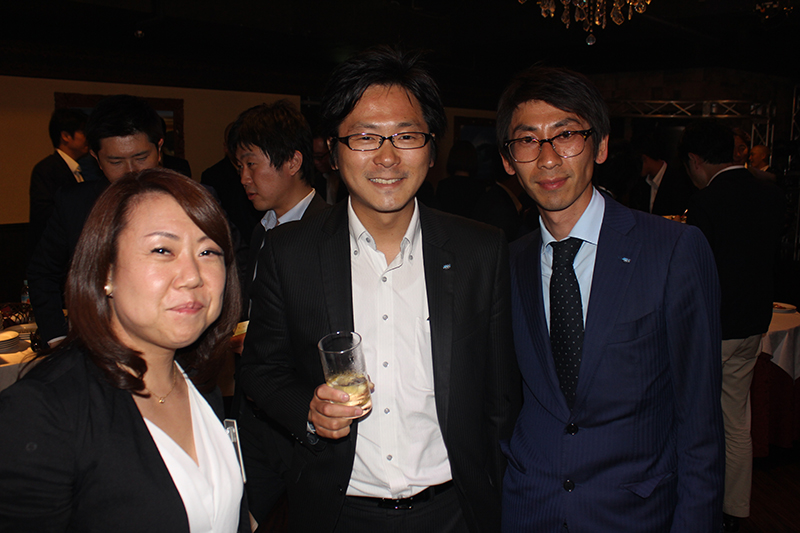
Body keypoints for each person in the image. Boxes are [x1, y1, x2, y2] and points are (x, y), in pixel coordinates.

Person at [238, 46, 521, 533]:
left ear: (431, 149)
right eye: (365, 137)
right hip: (337, 512)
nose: (387, 157)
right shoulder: (290, 252)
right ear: (333, 150)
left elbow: (501, 399)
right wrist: (309, 411)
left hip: (455, 511)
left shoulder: (480, 250)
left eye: (406, 136)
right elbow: (260, 371)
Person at [497, 65, 724, 532]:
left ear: (599, 146)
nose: (547, 158)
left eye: (566, 135)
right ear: (508, 159)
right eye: (527, 140)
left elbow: (700, 423)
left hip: (634, 513)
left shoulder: (673, 250)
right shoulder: (507, 262)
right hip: (529, 510)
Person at [0, 169, 248, 532]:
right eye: (162, 250)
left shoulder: (197, 377)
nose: (193, 275)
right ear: (106, 270)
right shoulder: (43, 411)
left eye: (208, 251)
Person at [225, 99, 327, 527]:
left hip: (304, 414)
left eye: (252, 164)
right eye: (240, 167)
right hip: (253, 411)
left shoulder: (330, 232)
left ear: (293, 161)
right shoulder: (262, 229)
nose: (244, 178)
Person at [680, 120, 786, 533]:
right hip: (754, 321)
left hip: (715, 326)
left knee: (697, 419)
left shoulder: (706, 202)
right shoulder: (771, 194)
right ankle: (735, 509)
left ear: (695, 160)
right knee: (737, 419)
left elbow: (697, 275)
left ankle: (699, 505)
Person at [28, 94, 164, 346]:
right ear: (96, 157)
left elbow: (231, 263)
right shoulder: (74, 204)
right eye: (116, 161)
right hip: (96, 344)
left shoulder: (190, 200)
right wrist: (57, 338)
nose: (131, 171)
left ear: (159, 148)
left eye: (140, 158)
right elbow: (42, 272)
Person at [28, 108, 91, 254]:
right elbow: (44, 214)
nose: (87, 138)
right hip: (56, 252)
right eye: (83, 132)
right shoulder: (47, 169)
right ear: (65, 136)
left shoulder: (75, 169)